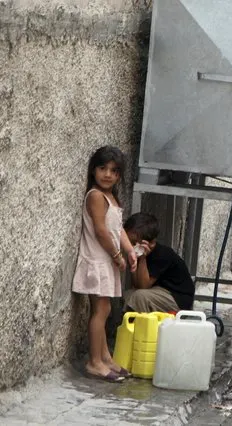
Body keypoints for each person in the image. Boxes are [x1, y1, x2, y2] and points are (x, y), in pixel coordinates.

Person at [72, 146, 138, 382]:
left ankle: (105, 358)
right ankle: (94, 362)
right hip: (97, 261)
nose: (107, 174)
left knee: (106, 309)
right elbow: (101, 231)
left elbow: (117, 228)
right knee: (100, 310)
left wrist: (130, 251)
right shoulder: (96, 196)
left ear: (119, 175)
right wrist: (116, 255)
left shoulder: (111, 197)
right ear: (93, 170)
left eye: (114, 171)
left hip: (105, 261)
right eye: (102, 168)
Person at [124, 212, 195, 313]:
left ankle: (143, 327)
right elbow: (137, 284)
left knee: (139, 297)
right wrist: (135, 260)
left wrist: (143, 259)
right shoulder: (135, 252)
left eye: (134, 243)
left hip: (176, 297)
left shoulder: (162, 255)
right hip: (158, 291)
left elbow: (143, 286)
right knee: (128, 295)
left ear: (151, 243)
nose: (130, 246)